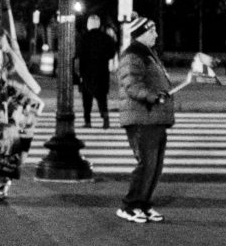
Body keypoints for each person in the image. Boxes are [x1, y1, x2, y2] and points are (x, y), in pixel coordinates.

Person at [114, 15, 175, 224]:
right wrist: (153, 96)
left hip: (153, 116)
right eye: (152, 31)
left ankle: (143, 204)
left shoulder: (148, 54)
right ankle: (129, 206)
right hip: (142, 117)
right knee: (147, 164)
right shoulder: (133, 55)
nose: (156, 35)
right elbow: (132, 85)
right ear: (141, 34)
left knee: (155, 165)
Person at [74, 15, 114, 128]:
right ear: (99, 24)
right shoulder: (106, 38)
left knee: (87, 99)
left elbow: (78, 55)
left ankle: (88, 121)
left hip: (87, 72)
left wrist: (78, 72)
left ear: (89, 24)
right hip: (102, 72)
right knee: (102, 97)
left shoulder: (84, 38)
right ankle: (105, 117)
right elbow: (112, 53)